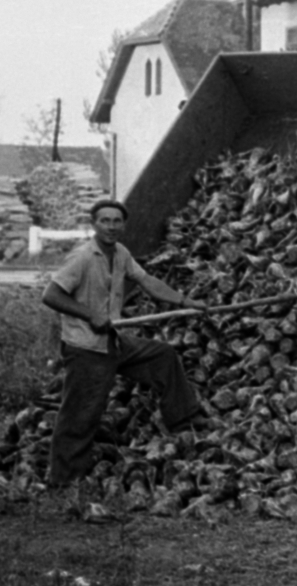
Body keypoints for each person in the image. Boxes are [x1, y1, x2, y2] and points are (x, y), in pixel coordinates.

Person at [40, 198, 210, 496]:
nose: (111, 226)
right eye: (104, 221)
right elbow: (51, 295)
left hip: (114, 341)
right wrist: (89, 313)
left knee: (162, 355)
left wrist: (185, 302)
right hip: (87, 349)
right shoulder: (82, 257)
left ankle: (184, 419)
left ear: (123, 225)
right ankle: (63, 480)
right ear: (93, 225)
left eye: (117, 221)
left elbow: (148, 281)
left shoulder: (120, 254)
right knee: (81, 414)